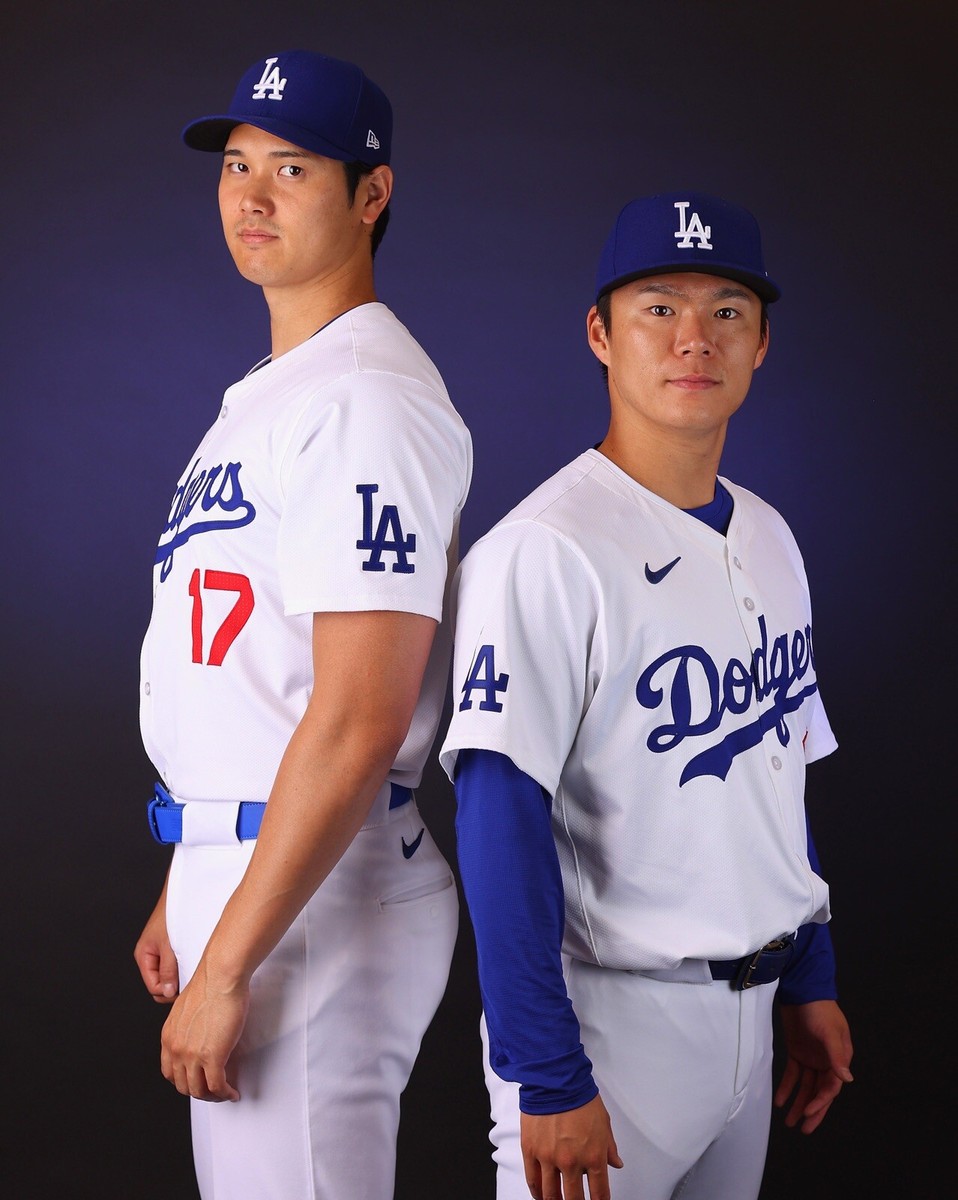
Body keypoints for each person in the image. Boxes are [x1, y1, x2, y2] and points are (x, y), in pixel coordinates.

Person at [439, 192, 853, 1200]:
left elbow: (775, 774)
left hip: (749, 1025)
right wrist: (546, 1073)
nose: (692, 340)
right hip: (608, 1029)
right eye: (658, 308)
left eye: (725, 311)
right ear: (600, 333)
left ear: (760, 344)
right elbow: (499, 818)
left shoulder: (769, 534)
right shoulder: (541, 550)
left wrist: (809, 975)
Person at [132, 49, 472, 1199]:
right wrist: (192, 866)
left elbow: (363, 711)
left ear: (370, 195)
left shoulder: (365, 399)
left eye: (293, 168)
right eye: (235, 166)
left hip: (320, 892)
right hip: (260, 862)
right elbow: (252, 667)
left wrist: (232, 955)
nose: (251, 197)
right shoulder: (282, 390)